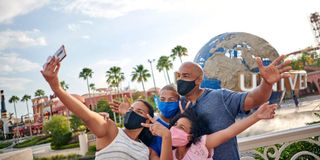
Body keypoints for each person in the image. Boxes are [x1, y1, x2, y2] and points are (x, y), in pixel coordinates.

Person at [175, 56, 291, 159]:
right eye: (179, 76)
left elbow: (253, 99)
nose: (180, 80)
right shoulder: (177, 105)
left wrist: (266, 83)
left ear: (199, 80)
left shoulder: (220, 97)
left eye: (185, 76)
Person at [41, 56, 155, 159]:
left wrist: (166, 136)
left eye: (138, 111)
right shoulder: (110, 129)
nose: (131, 113)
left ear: (148, 119)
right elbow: (86, 115)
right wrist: (56, 88)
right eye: (130, 110)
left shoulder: (146, 150)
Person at [142, 102, 277, 160]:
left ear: (190, 137)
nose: (174, 129)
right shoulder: (170, 154)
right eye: (175, 124)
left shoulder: (200, 145)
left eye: (181, 127)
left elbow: (229, 132)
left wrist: (256, 116)